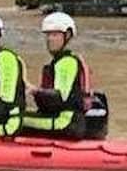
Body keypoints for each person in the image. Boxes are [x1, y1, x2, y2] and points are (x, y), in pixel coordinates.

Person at [22, 11, 97, 140]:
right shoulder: (59, 61)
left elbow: (59, 97)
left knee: (15, 119)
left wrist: (34, 90)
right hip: (65, 119)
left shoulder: (66, 62)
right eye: (48, 35)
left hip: (65, 122)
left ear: (67, 36)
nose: (49, 39)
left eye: (55, 35)